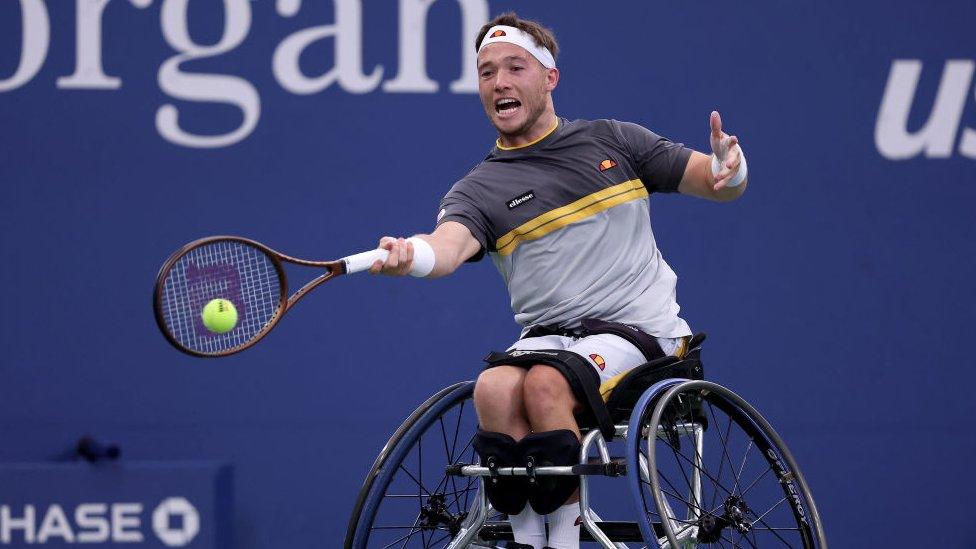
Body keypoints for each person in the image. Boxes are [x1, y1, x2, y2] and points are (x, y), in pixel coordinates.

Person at [369, 12, 747, 549]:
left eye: (514, 67)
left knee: (546, 383)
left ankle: (563, 542)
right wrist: (412, 255)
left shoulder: (615, 141)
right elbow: (447, 247)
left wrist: (731, 169)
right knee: (495, 386)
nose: (498, 82)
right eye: (485, 72)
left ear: (549, 77)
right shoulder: (478, 188)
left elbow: (714, 181)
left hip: (640, 333)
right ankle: (527, 539)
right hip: (550, 338)